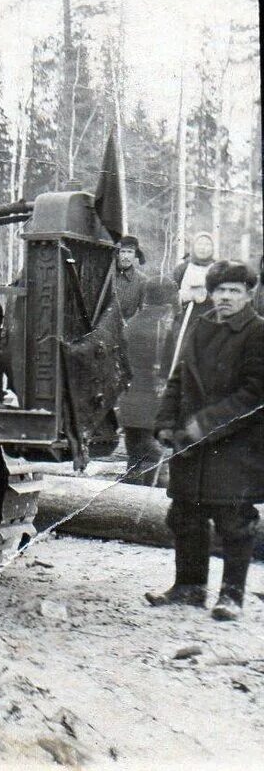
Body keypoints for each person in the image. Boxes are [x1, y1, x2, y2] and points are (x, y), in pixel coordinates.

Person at [146, 260, 264, 621]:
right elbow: (178, 379)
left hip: (235, 446)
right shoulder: (200, 326)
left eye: (234, 291)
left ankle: (231, 596)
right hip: (190, 442)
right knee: (184, 515)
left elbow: (254, 394)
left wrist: (205, 425)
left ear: (249, 295)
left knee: (234, 521)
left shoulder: (257, 332)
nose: (226, 297)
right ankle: (189, 587)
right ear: (210, 293)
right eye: (220, 290)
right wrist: (165, 422)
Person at [117, 277, 177, 485]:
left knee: (134, 450)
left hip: (130, 398)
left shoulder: (132, 323)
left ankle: (131, 491)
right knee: (153, 453)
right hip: (154, 398)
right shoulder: (167, 325)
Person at [172, 231, 216, 307]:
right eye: (199, 244)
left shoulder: (219, 269)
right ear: (193, 246)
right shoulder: (181, 269)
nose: (203, 248)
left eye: (207, 244)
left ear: (213, 248)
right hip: (187, 314)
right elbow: (172, 296)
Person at [112, 235, 148, 320]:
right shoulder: (108, 275)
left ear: (135, 255)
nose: (126, 256)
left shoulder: (141, 280)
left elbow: (144, 311)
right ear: (117, 254)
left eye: (130, 252)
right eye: (123, 251)